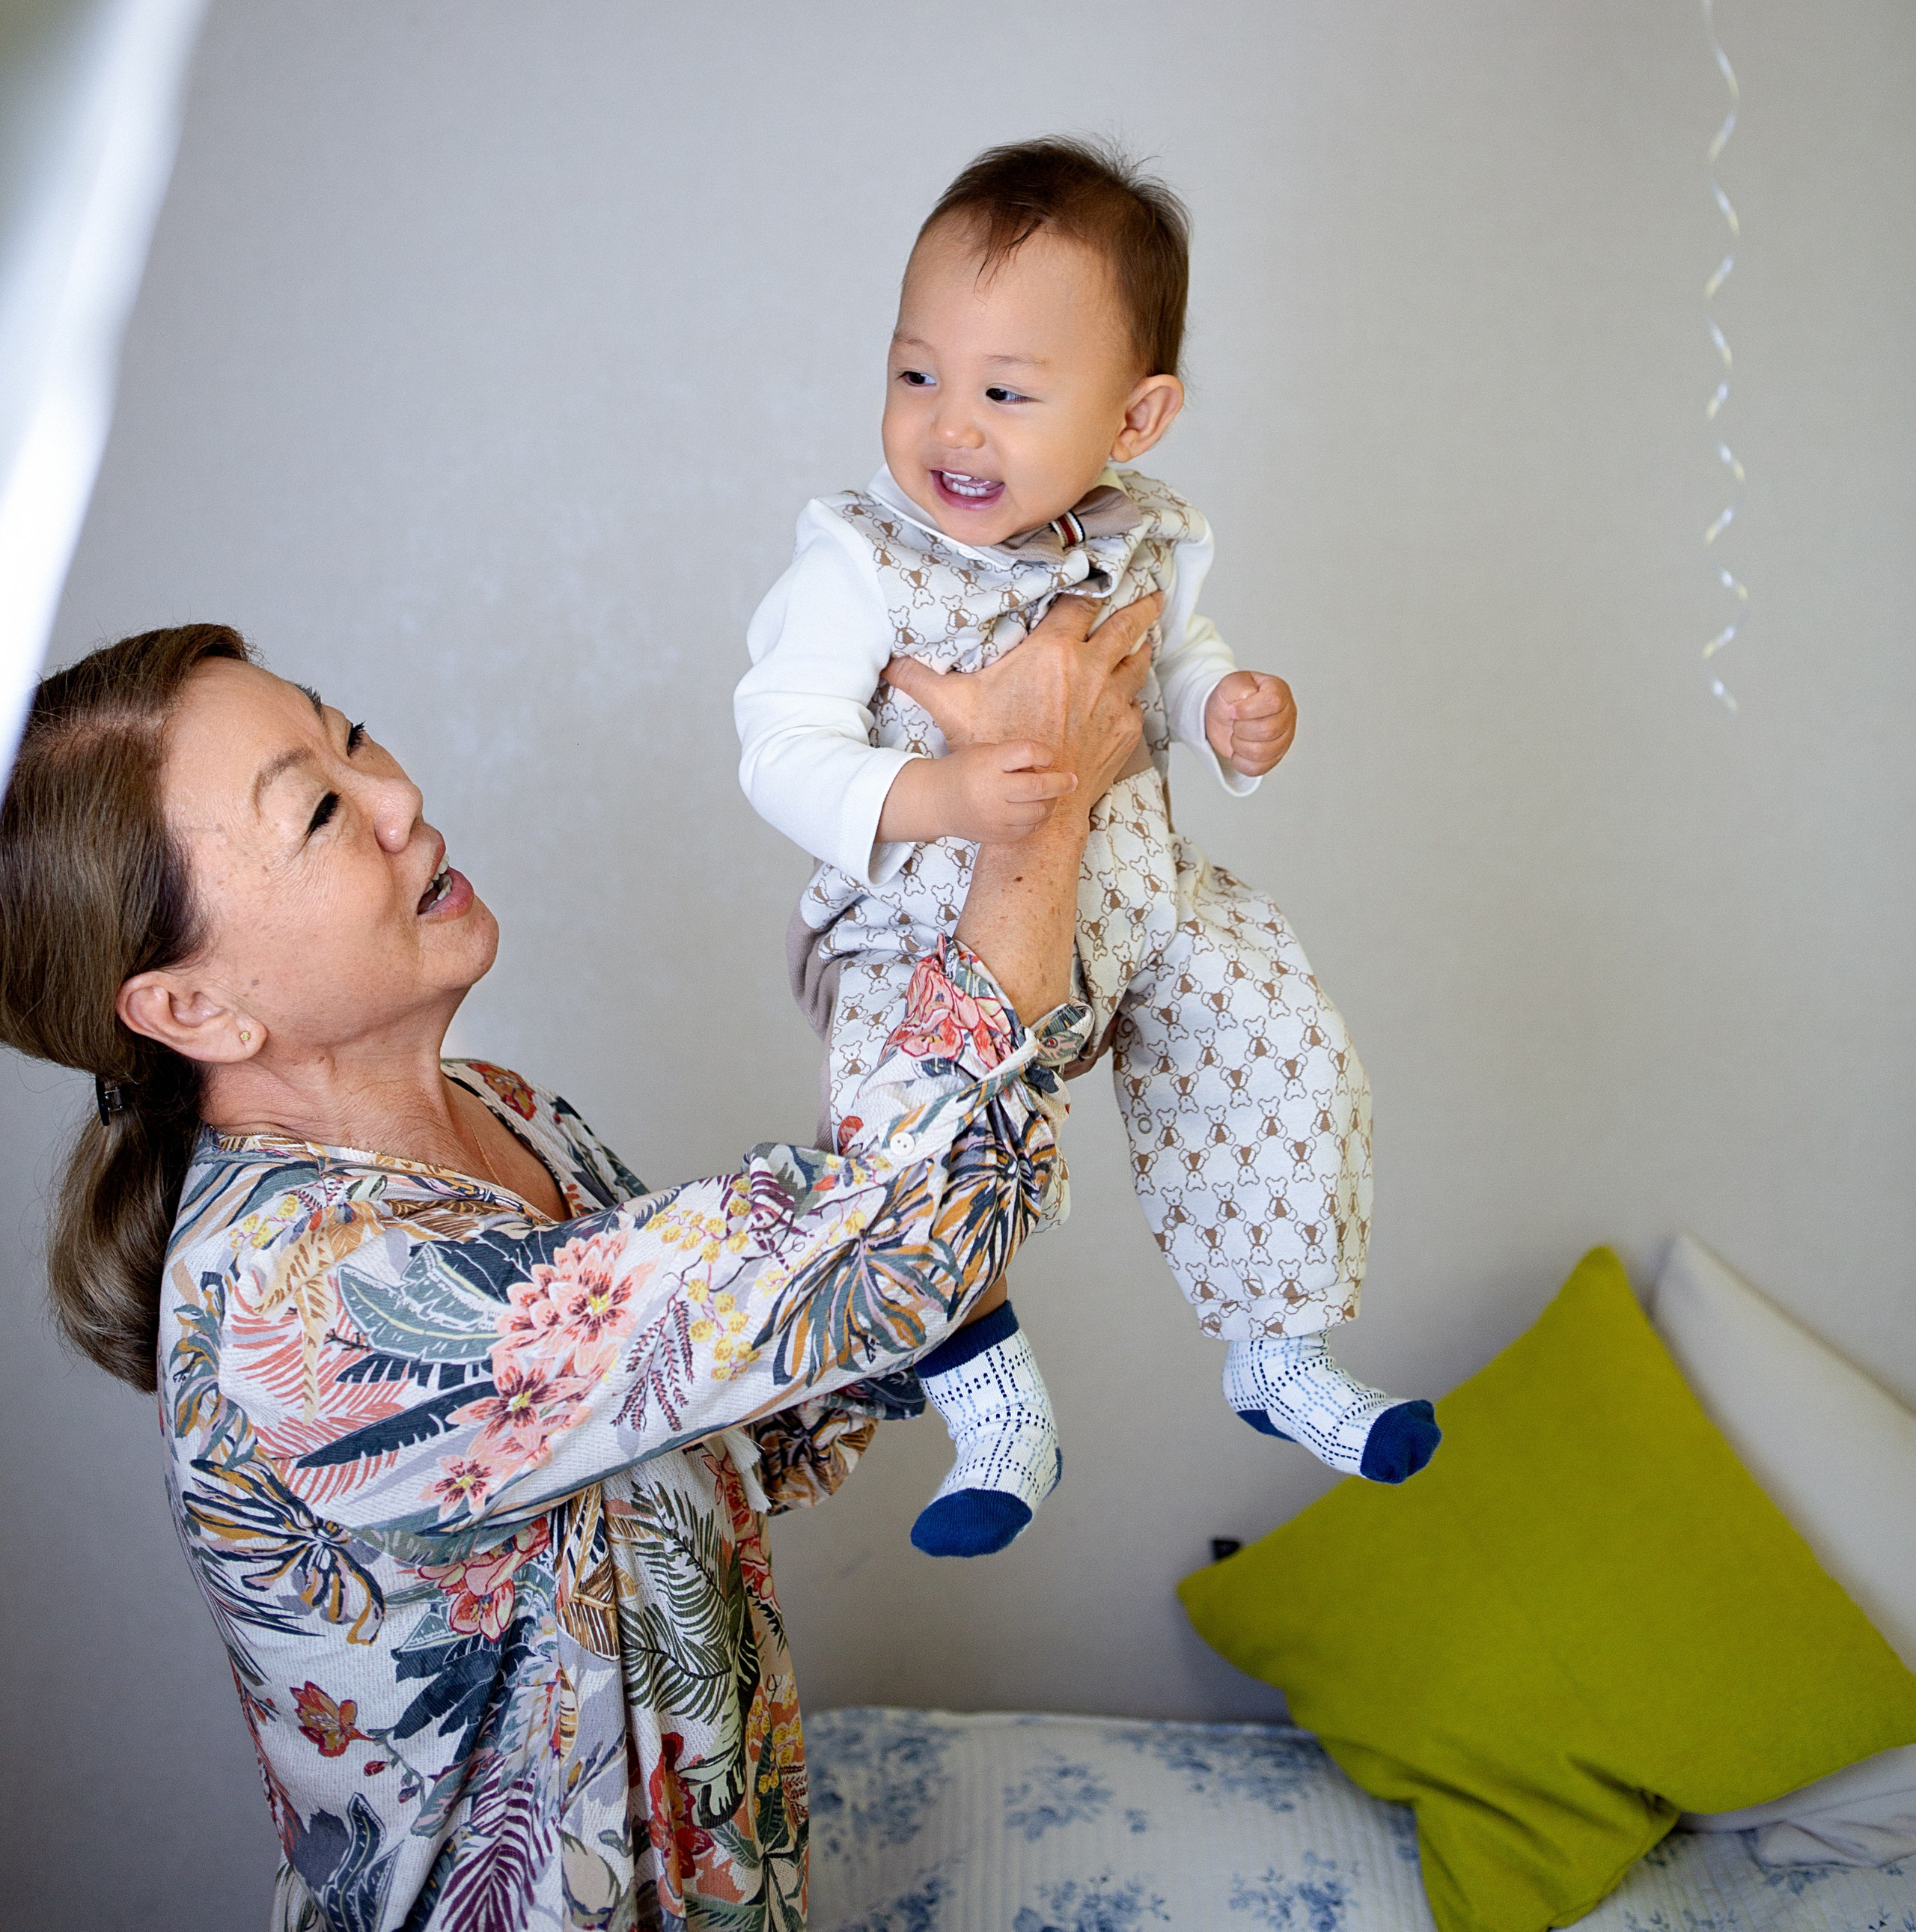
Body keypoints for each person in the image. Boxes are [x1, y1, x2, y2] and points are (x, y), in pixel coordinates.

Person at [0, 597, 1156, 1931]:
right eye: (315, 813)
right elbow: (894, 1242)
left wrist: (891, 1265)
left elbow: (737, 1425)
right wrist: (1037, 815)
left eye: (353, 738)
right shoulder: (304, 1301)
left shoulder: (503, 1111)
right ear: (192, 1007)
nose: (395, 796)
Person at [736, 138, 1441, 1560]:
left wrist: (1227, 712)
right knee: (910, 1113)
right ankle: (990, 1396)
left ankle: (1278, 1349)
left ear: (1139, 413)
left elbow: (1176, 668)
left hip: (1139, 902)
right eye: (916, 374)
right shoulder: (857, 560)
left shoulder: (1154, 539)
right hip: (928, 926)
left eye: (1006, 392)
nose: (952, 428)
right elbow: (778, 741)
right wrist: (940, 798)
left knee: (1276, 1025)